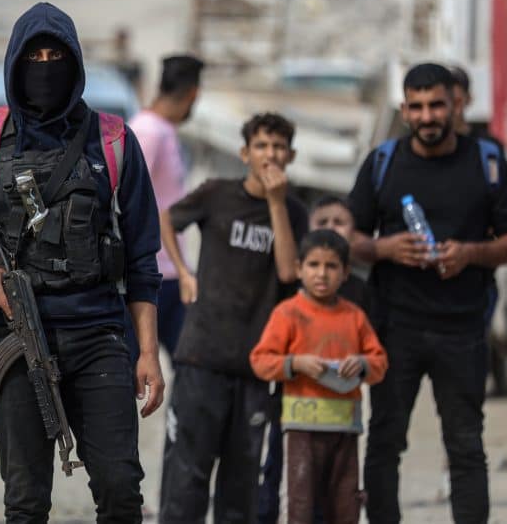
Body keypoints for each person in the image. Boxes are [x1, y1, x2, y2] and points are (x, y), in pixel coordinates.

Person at [0, 2, 165, 522]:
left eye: (56, 56)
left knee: (121, 489)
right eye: (35, 56)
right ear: (14, 65)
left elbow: (143, 260)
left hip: (100, 336)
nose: (45, 67)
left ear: (74, 65)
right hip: (12, 337)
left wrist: (149, 353)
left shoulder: (113, 141)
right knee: (26, 501)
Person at [349, 62, 507, 524]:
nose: (428, 116)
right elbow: (347, 239)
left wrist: (470, 253)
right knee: (385, 442)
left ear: (455, 105)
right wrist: (384, 247)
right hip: (394, 327)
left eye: (436, 105)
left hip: (463, 328)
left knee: (466, 445)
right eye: (417, 107)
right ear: (405, 110)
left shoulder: (485, 162)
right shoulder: (382, 163)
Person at [158, 112, 307, 524]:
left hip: (256, 364)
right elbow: (168, 219)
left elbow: (289, 272)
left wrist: (276, 202)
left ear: (291, 155)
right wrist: (184, 273)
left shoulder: (293, 213)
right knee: (185, 479)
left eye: (278, 147)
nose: (270, 154)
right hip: (201, 356)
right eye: (261, 146)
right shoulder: (216, 193)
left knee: (241, 485)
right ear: (245, 153)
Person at [250, 230, 388, 524]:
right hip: (301, 430)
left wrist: (361, 364)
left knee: (345, 505)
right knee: (299, 506)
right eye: (313, 265)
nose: (321, 274)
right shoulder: (288, 314)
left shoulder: (354, 316)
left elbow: (380, 363)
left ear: (346, 273)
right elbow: (260, 361)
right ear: (299, 269)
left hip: (345, 430)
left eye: (331, 266)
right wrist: (295, 363)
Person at [126, 54, 204, 362]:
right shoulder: (148, 132)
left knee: (192, 366)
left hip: (171, 272)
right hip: (152, 274)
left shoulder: (163, 130)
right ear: (194, 94)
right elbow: (125, 196)